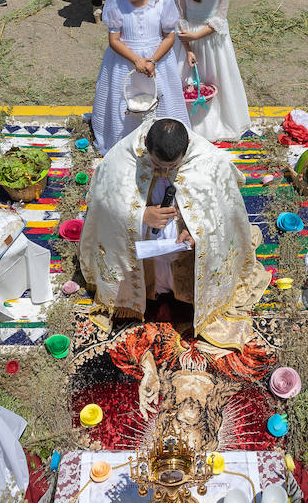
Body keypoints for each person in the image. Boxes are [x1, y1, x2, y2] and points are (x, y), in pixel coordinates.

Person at [80, 116, 265, 349]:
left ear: (186, 147)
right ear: (146, 144)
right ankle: (147, 291)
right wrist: (141, 215)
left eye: (172, 167)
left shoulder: (208, 159)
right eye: (158, 166)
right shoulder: (123, 156)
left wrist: (197, 232)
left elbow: (224, 210)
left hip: (183, 245)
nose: (165, 172)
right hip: (143, 241)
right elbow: (102, 201)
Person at [90, 0, 188, 154]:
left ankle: (164, 142)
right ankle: (123, 141)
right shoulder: (117, 5)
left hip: (157, 62)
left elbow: (169, 36)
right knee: (124, 101)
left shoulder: (162, 4)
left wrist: (152, 61)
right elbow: (114, 40)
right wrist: (136, 60)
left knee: (159, 101)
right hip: (125, 62)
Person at [177, 0, 250, 141]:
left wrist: (196, 35)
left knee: (215, 79)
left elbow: (219, 20)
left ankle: (217, 119)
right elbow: (180, 19)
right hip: (189, 45)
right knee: (189, 83)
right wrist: (188, 47)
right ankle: (188, 121)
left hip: (213, 43)